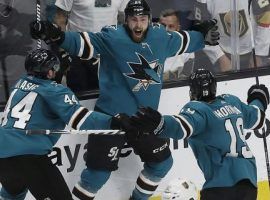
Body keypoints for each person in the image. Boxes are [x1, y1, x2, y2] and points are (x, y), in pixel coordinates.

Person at [29, 0, 220, 199]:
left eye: (143, 19)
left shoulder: (161, 37)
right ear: (126, 20)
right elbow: (81, 42)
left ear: (149, 19)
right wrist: (56, 35)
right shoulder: (112, 37)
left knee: (162, 163)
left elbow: (184, 40)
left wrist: (202, 35)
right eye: (134, 20)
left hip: (145, 118)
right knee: (96, 176)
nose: (138, 25)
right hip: (111, 117)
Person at [0, 48, 128, 200]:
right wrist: (113, 121)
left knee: (12, 196)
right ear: (50, 72)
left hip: (3, 156)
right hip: (30, 156)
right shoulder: (56, 91)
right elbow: (81, 120)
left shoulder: (19, 84)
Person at [130, 68, 269, 200]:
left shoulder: (199, 109)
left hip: (220, 187)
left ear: (193, 90)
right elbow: (258, 117)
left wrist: (160, 123)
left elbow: (182, 126)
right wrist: (258, 97)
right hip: (249, 185)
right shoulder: (231, 102)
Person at [52, 0, 129, 91]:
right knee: (79, 96)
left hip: (107, 54)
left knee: (107, 97)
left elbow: (124, 18)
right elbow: (60, 18)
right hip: (77, 51)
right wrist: (63, 51)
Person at [193, 0, 270, 70]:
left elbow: (265, 21)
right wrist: (220, 57)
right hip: (223, 53)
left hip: (253, 52)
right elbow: (202, 29)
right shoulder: (203, 1)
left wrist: (259, 54)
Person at [159, 9, 195, 80]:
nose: (166, 30)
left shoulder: (187, 50)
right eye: (163, 26)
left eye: (171, 26)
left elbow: (186, 79)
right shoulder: (147, 48)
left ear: (178, 28)